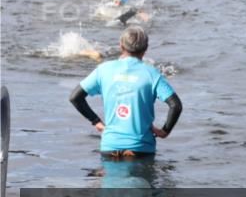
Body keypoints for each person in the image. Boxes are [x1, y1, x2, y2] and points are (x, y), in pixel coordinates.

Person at [69, 26, 182, 158]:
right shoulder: (151, 73)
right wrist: (164, 131)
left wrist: (96, 122)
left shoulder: (104, 70)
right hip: (141, 149)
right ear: (145, 49)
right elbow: (176, 105)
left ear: (121, 46)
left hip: (110, 147)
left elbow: (75, 97)